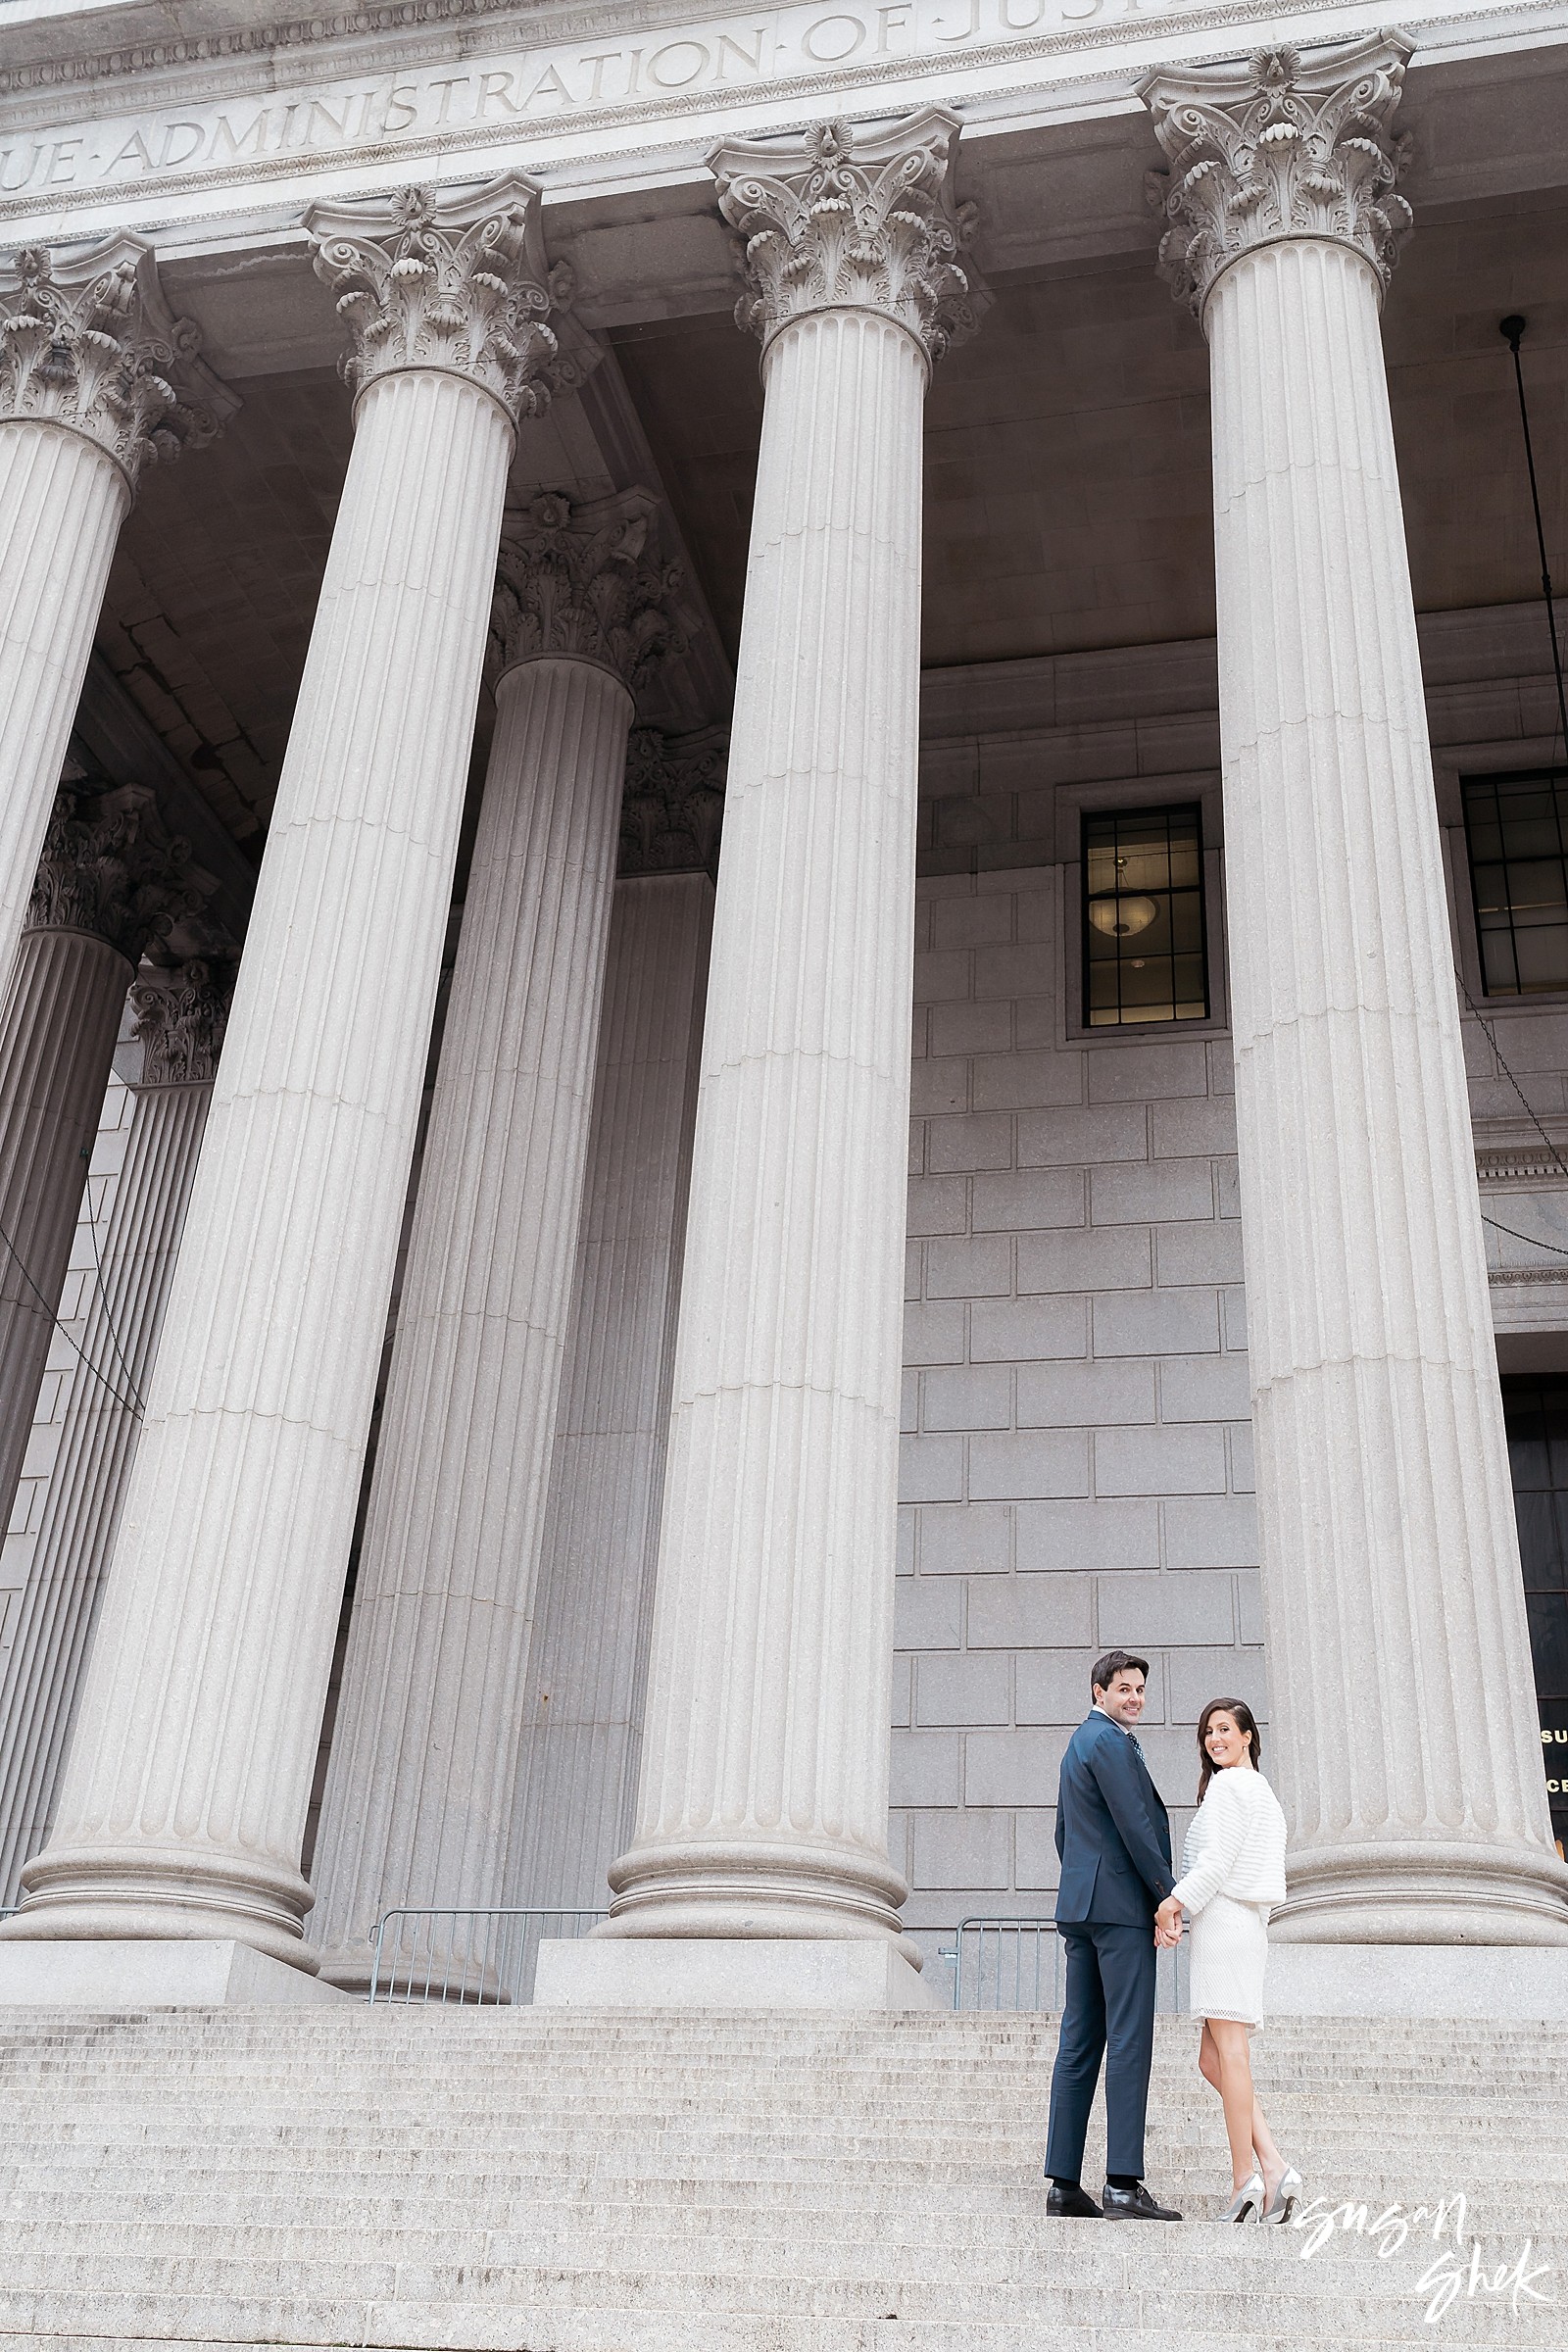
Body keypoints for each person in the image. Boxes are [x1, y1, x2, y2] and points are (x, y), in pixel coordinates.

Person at [1044, 1648, 1182, 2221]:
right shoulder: (1110, 1742)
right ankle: (1123, 2182)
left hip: (1083, 1907)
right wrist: (1165, 1894)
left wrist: (1086, 1885)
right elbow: (1135, 1823)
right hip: (1122, 1908)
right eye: (1124, 1689)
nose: (1135, 1699)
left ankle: (1063, 2183)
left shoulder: (1080, 1742)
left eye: (1141, 1689)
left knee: (1080, 2041)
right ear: (1098, 1692)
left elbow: (1063, 1831)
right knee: (1129, 2038)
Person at [1154, 1697, 1300, 2223]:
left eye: (1223, 1729)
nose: (1214, 1739)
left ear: (1246, 1737)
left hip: (1226, 1923)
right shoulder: (1259, 1791)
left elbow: (1216, 1861)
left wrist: (1174, 1903)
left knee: (1231, 2053)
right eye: (1207, 1732)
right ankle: (1275, 2164)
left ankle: (1246, 2177)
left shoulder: (1229, 1787)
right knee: (1212, 2059)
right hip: (1243, 1925)